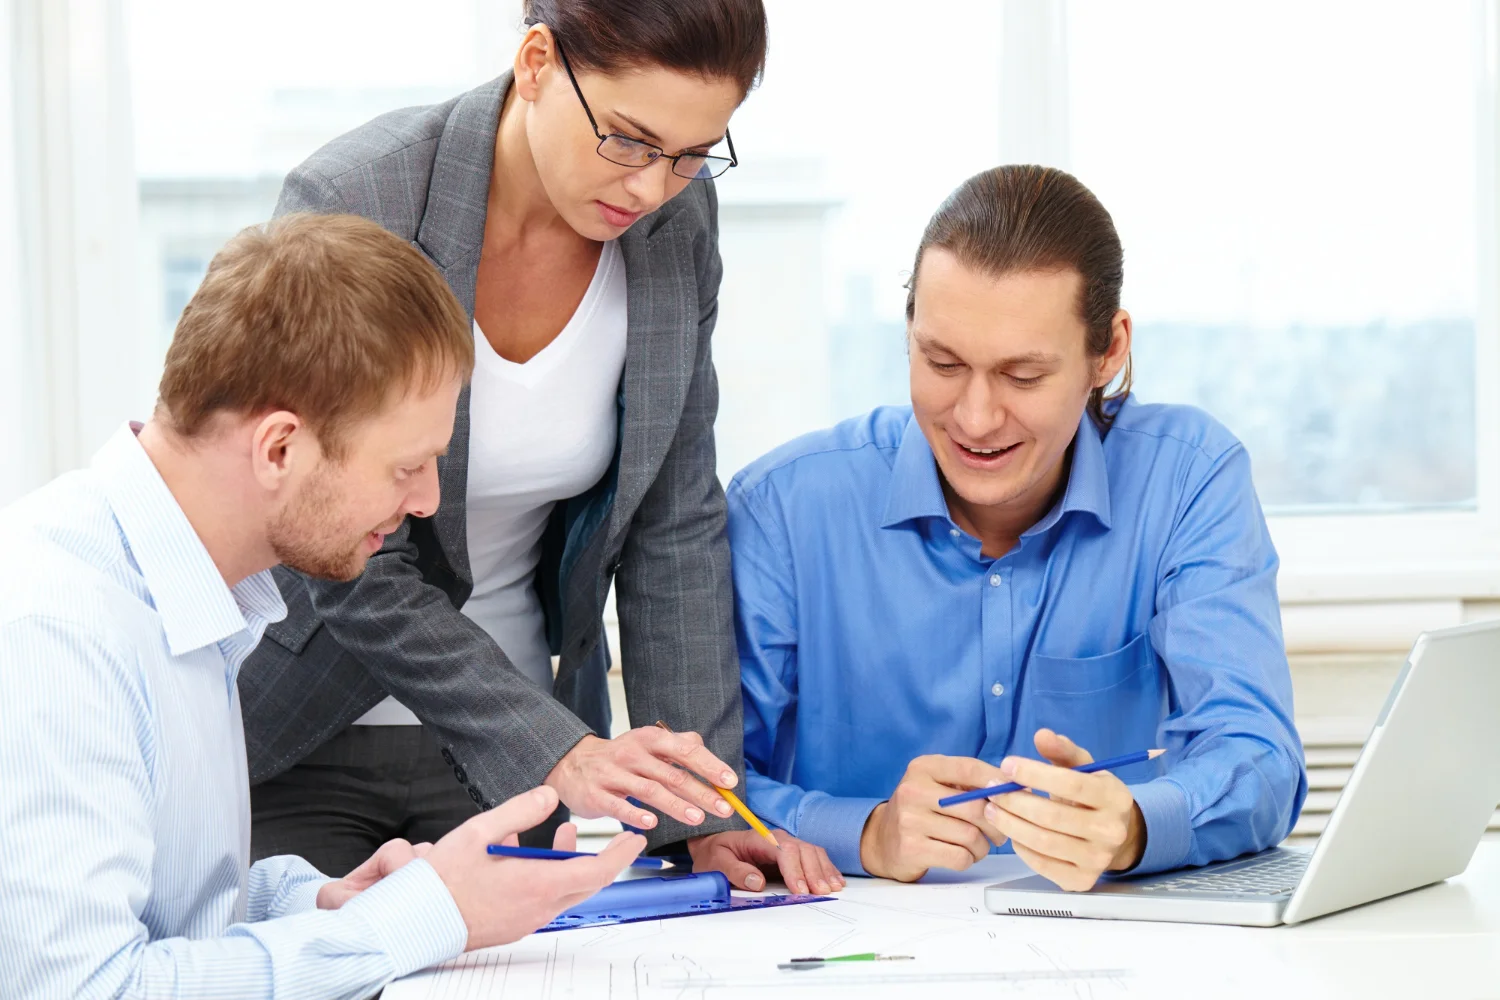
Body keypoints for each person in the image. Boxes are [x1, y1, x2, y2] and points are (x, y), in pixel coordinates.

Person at [238, 0, 838, 896]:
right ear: (535, 62)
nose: (649, 188)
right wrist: (555, 745)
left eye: (691, 155)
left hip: (511, 756)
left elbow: (672, 526)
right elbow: (337, 548)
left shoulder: (676, 227)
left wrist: (704, 818)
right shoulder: (361, 198)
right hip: (309, 723)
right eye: (629, 141)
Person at [0, 214, 645, 998]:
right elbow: (81, 987)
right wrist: (414, 921)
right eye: (407, 466)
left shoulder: (195, 596)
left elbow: (174, 909)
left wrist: (323, 903)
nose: (428, 501)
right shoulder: (58, 631)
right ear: (279, 448)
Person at [731, 165, 1308, 888]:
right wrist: (867, 831)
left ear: (1109, 351)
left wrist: (1131, 825)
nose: (975, 418)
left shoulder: (1189, 478)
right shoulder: (784, 507)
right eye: (942, 362)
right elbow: (705, 790)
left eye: (1023, 376)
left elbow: (1257, 756)